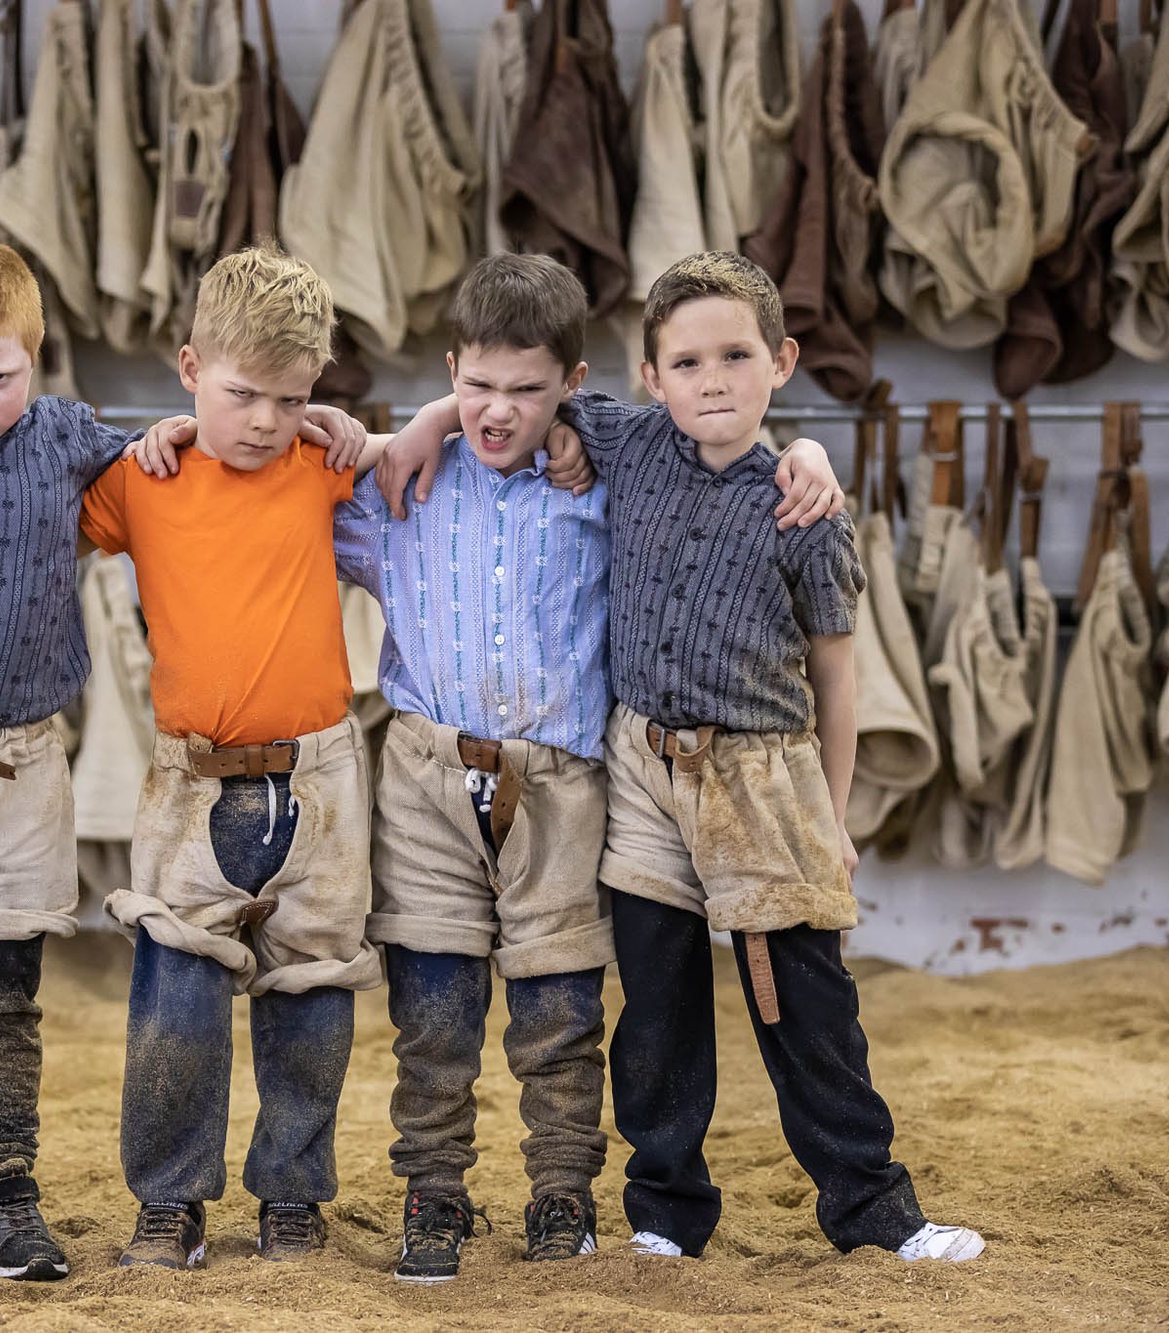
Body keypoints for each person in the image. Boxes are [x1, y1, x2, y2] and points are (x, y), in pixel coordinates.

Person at [384, 250, 982, 1264]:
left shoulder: (803, 510)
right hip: (642, 770)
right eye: (687, 362)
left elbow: (837, 679)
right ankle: (665, 1212)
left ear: (781, 361)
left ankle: (874, 1208)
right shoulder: (625, 441)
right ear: (650, 376)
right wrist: (423, 422)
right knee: (656, 1006)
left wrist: (831, 820)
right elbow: (517, 396)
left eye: (737, 357)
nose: (713, 381)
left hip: (762, 777)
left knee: (802, 1002)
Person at [0, 239, 356, 1279]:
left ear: (37, 360)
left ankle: (4, 1194)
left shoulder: (70, 441)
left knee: (5, 998)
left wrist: (276, 424)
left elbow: (181, 450)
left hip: (27, 769)